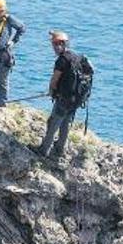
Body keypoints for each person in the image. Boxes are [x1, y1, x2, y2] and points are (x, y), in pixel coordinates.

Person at [38, 30, 80, 159]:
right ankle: (60, 150)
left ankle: (43, 151)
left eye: (55, 45)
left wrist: (51, 91)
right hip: (75, 100)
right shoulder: (75, 57)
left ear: (61, 44)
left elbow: (55, 79)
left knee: (53, 123)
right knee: (65, 124)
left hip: (63, 99)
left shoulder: (61, 61)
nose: (54, 48)